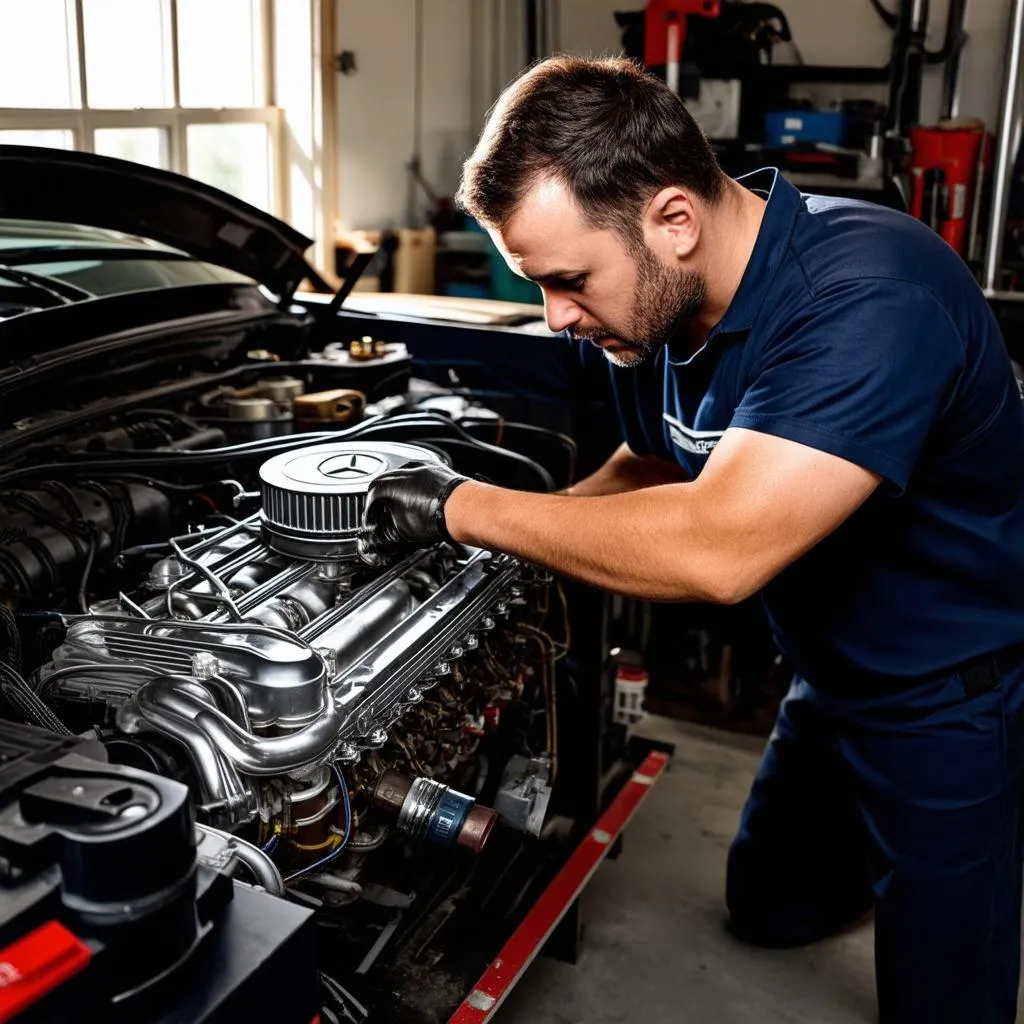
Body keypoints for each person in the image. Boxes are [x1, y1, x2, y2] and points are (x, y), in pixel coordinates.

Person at [358, 55, 1024, 1023]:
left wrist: (460, 506)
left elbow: (719, 549)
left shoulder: (873, 295)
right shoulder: (657, 312)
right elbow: (653, 459)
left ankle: (963, 846)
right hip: (826, 669)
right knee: (765, 908)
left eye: (569, 280)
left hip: (944, 691)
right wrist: (518, 556)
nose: (558, 317)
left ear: (674, 220)